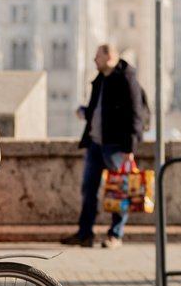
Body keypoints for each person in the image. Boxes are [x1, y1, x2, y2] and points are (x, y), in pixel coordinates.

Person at [61, 43, 149, 249]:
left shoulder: (127, 79)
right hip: (95, 143)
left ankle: (115, 235)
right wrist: (85, 111)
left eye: (97, 56)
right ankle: (85, 234)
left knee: (119, 190)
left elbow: (135, 115)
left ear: (109, 57)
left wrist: (129, 148)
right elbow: (98, 109)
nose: (94, 60)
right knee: (88, 189)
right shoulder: (100, 79)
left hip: (116, 146)